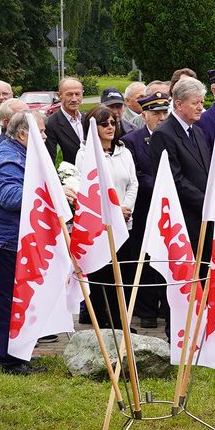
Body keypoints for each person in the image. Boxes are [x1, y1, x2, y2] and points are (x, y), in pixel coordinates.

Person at [0, 109, 46, 374]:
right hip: (3, 240)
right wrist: (48, 193)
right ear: (22, 134)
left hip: (13, 237)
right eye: (40, 131)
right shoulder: (8, 157)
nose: (44, 136)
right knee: (8, 301)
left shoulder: (19, 152)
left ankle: (20, 354)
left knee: (21, 299)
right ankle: (9, 360)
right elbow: (10, 197)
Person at [68, 104, 138, 331]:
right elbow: (88, 188)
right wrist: (113, 211)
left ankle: (122, 322)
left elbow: (132, 183)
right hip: (100, 225)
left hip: (124, 223)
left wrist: (125, 207)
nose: (110, 127)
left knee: (124, 273)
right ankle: (103, 323)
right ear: (93, 126)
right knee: (103, 274)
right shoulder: (85, 154)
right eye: (104, 123)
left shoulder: (124, 151)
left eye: (113, 123)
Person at [122, 87, 170, 328]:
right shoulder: (131, 141)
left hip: (168, 209)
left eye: (165, 112)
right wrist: (159, 185)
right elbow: (135, 174)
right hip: (143, 208)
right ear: (144, 115)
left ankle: (164, 304)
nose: (162, 117)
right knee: (144, 258)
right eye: (156, 113)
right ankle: (146, 310)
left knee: (165, 257)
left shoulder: (171, 136)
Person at [148, 76, 211, 256]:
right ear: (179, 104)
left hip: (205, 219)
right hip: (184, 220)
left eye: (201, 102)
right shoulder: (163, 135)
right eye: (195, 103)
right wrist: (205, 202)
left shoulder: (197, 131)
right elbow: (174, 179)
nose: (200, 107)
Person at [44, 77, 86, 164]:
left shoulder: (88, 120)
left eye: (77, 94)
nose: (74, 99)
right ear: (59, 96)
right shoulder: (51, 124)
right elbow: (51, 159)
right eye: (69, 94)